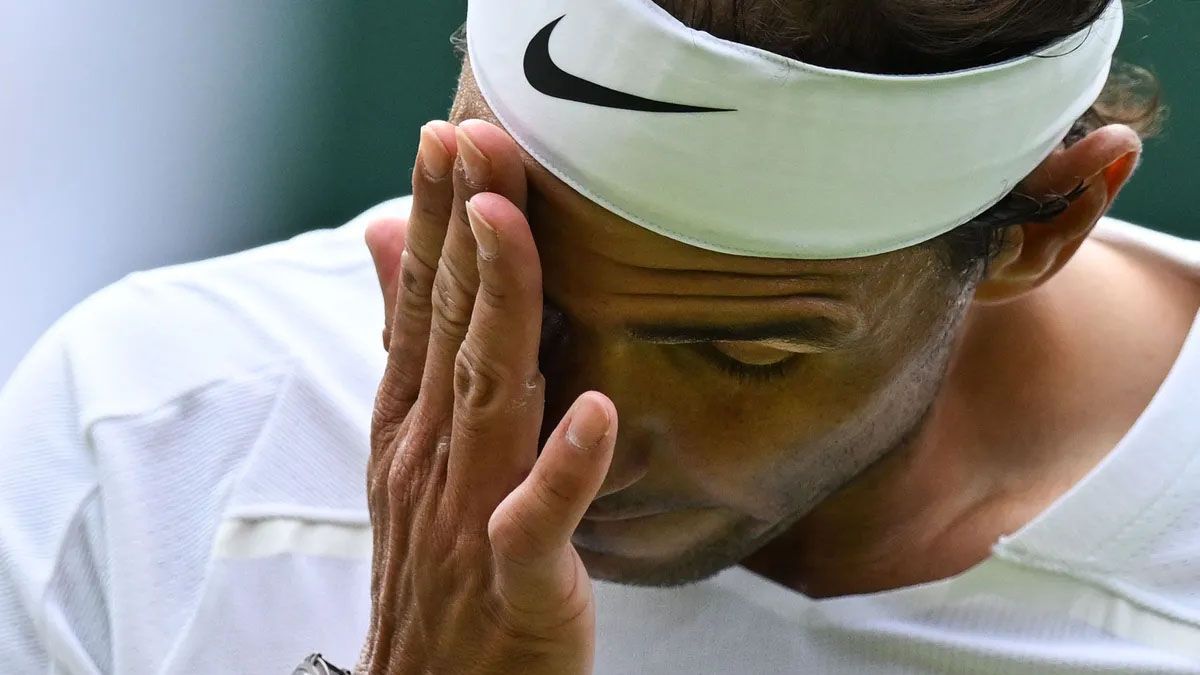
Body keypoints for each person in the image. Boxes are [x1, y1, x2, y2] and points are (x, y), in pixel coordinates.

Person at [2, 0, 1198, 673]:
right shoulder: (150, 429)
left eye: (743, 354)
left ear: (1052, 223)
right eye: (516, 290)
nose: (571, 450)